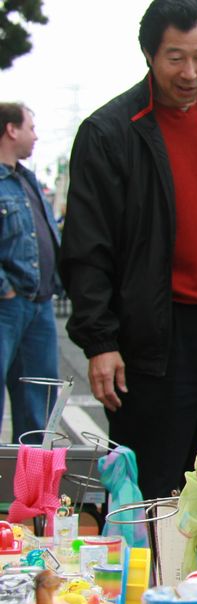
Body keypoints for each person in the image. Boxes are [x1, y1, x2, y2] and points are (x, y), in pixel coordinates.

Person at [59, 0, 197, 549]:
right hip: (149, 336)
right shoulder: (110, 131)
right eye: (175, 58)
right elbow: (87, 248)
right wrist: (100, 341)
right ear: (149, 55)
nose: (189, 73)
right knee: (152, 482)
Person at [0, 103, 59, 442]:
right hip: (7, 304)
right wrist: (5, 288)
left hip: (39, 304)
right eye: (31, 128)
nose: (35, 136)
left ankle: (33, 490)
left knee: (39, 402)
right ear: (11, 129)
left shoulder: (27, 179)